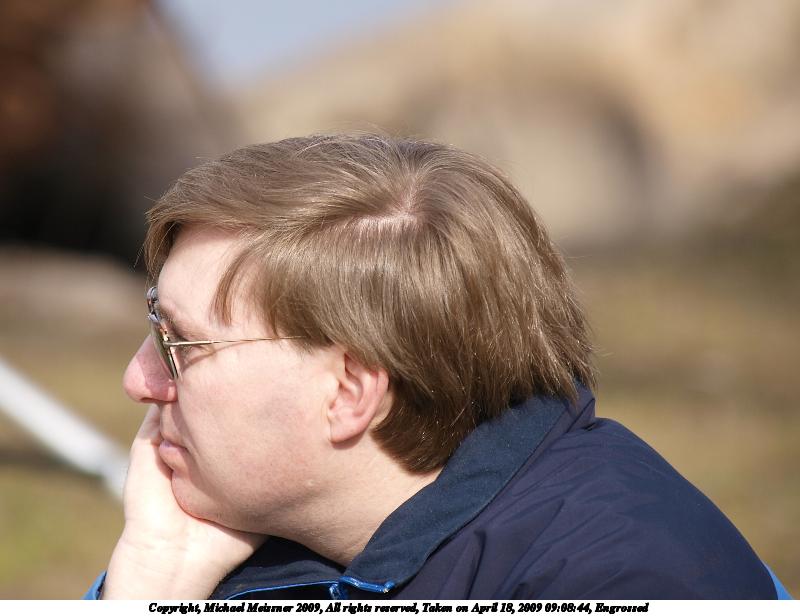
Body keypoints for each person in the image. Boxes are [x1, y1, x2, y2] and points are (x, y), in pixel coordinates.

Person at [87, 134, 788, 600]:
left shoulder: (626, 581)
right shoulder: (250, 536)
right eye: (154, 324)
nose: (138, 380)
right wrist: (154, 577)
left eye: (180, 345)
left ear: (349, 392)